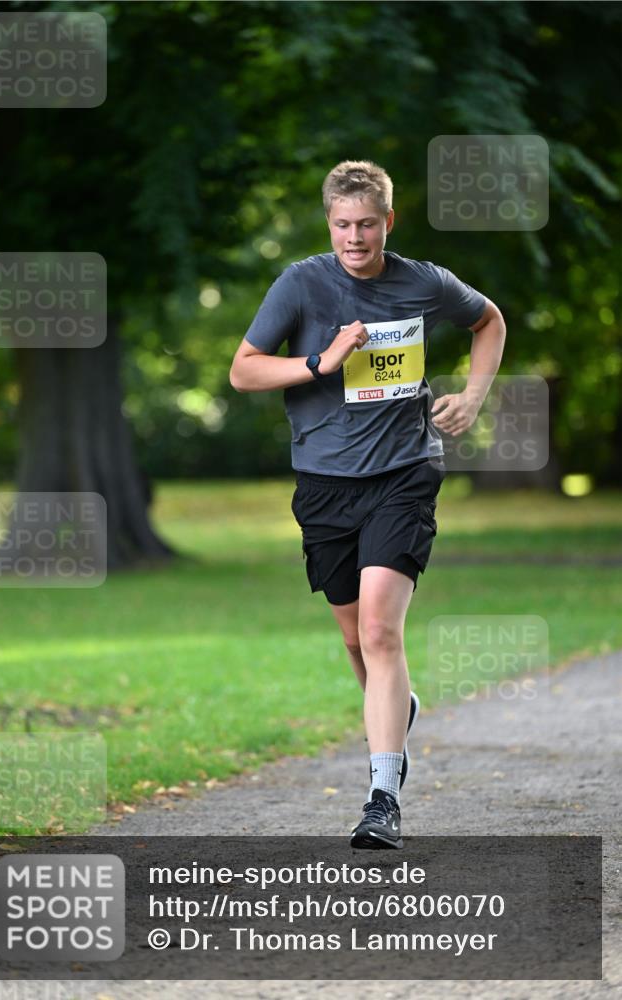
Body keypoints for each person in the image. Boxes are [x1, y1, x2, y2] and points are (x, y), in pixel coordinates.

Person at [229, 160, 506, 848]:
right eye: (342, 225)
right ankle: (396, 705)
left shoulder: (423, 281)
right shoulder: (300, 283)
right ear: (329, 223)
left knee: (381, 632)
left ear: (389, 221)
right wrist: (321, 361)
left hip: (403, 473)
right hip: (323, 483)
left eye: (367, 224)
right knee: (355, 638)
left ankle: (382, 796)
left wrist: (470, 397)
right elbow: (243, 370)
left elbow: (488, 321)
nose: (355, 237)